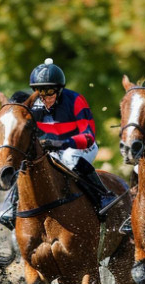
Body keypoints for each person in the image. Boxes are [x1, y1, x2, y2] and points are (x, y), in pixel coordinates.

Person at [27, 58, 114, 210]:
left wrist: (62, 143)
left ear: (59, 90)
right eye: (40, 91)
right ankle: (12, 206)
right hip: (51, 151)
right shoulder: (34, 105)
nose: (45, 98)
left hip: (80, 147)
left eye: (49, 92)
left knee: (68, 157)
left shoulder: (75, 100)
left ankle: (103, 195)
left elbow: (88, 137)